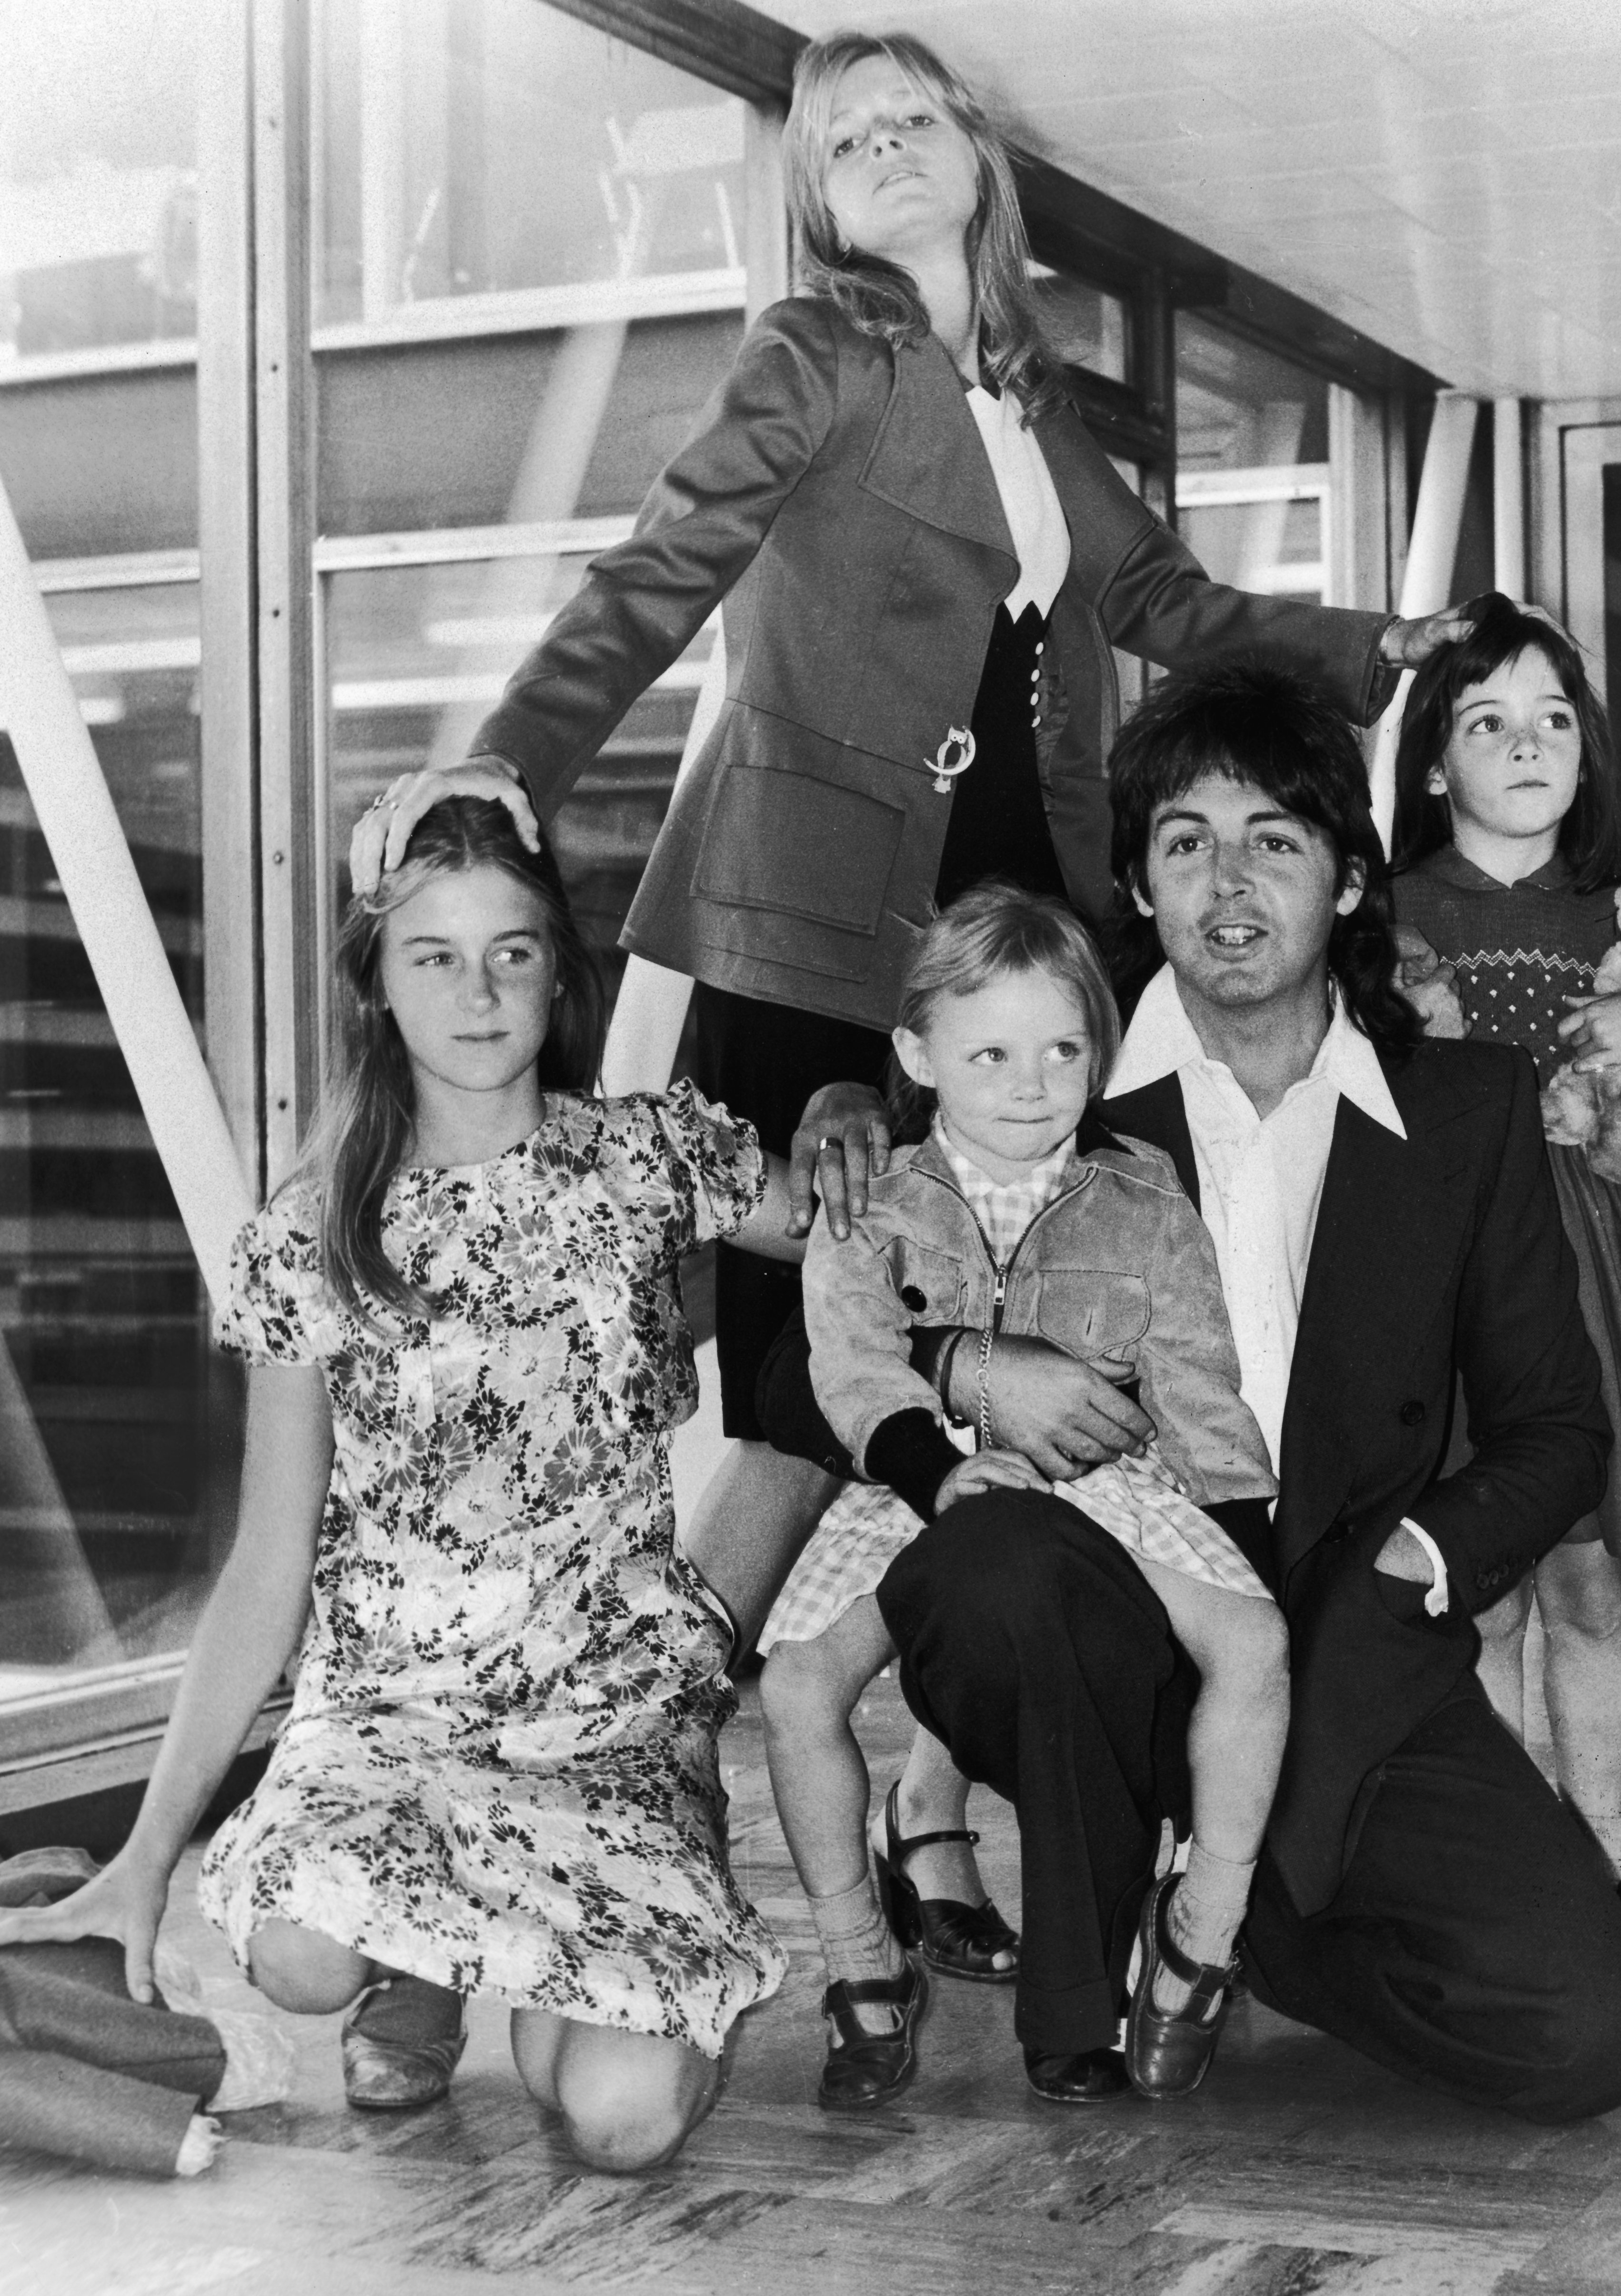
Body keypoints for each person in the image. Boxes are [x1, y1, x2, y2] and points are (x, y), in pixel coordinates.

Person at [346, 30, 1471, 1691]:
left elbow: (1164, 606)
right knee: (820, 1384)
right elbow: (667, 564)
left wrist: (1381, 643)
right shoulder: (816, 348)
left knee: (1005, 1331)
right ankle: (654, 1716)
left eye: (910, 118)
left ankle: (925, 1814)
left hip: (1014, 921)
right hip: (815, 919)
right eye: (843, 134)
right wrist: (512, 751)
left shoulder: (1027, 394)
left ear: (971, 155)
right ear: (813, 191)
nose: (881, 144)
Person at [772, 663, 1621, 2118]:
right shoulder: (1047, 1082)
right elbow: (809, 1345)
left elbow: (1556, 1431)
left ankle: (1244, 1919)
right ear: (1137, 881)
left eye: (1276, 839)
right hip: (1092, 1628)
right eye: (1184, 841)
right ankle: (1109, 1906)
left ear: (1354, 880)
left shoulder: (1465, 1112)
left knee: (1581, 2036)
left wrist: (1411, 1568)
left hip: (1355, 1639)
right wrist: (968, 1360)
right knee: (998, 1559)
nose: (1228, 880)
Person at [0, 800, 798, 2174]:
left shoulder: (646, 1162)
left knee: (617, 2125)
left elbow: (876, 1224)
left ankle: (589, 1918)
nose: (478, 991)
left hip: (599, 1724)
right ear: (374, 979)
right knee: (300, 1957)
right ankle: (426, 1962)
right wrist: (143, 1857)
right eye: (432, 956)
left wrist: (855, 1116)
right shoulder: (313, 1233)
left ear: (559, 970)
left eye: (512, 952)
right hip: (397, 1723)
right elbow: (265, 1567)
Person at [758, 883, 1283, 2108]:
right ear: (916, 1055)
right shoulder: (870, 1197)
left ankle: (1198, 1935)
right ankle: (855, 1961)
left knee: (1254, 1644)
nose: (1032, 1082)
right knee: (792, 1686)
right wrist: (940, 1474)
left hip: (1108, 1482)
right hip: (914, 1481)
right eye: (988, 1051)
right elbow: (850, 1366)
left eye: (1063, 1049)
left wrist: (1238, 1533)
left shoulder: (1142, 1196)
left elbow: (1197, 1383)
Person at [1392, 595, 1621, 1995]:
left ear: (1586, 752)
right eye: (1486, 721)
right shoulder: (1397, 911)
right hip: (1471, 1291)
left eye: (1551, 719)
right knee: (1476, 1599)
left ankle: (1604, 1877)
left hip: (1610, 1288)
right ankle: (1510, 1883)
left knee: (1588, 1585)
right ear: (1434, 761)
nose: (1525, 744)